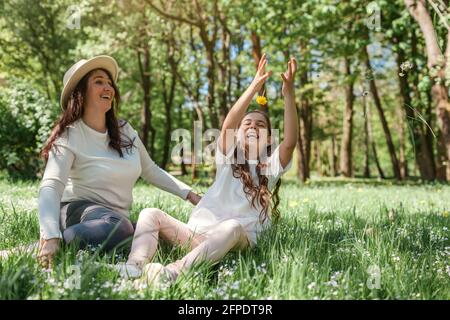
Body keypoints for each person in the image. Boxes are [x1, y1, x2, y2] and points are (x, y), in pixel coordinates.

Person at [114, 53, 298, 286]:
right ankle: (134, 267)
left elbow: (291, 141)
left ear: (270, 138)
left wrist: (288, 93)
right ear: (238, 135)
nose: (252, 126)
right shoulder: (229, 156)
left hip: (235, 239)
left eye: (260, 125)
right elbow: (229, 123)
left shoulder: (269, 167)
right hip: (197, 236)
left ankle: (172, 272)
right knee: (150, 213)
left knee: (231, 227)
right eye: (247, 123)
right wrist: (254, 86)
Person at [33, 55, 200, 269]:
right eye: (99, 81)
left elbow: (150, 170)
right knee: (119, 228)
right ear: (80, 92)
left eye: (110, 83)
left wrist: (191, 194)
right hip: (78, 212)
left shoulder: (124, 131)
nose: (109, 88)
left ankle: (50, 247)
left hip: (113, 221)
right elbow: (51, 187)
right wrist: (50, 235)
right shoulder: (70, 136)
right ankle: (48, 247)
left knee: (152, 234)